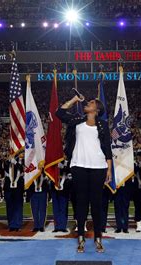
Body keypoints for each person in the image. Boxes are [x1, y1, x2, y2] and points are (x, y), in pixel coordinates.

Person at [56, 94, 112, 253]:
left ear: (97, 109)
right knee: (81, 203)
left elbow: (107, 148)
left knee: (96, 204)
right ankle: (81, 237)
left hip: (98, 167)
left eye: (92, 102)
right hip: (78, 166)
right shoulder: (77, 121)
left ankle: (98, 238)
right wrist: (74, 100)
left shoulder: (103, 125)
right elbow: (59, 113)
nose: (88, 103)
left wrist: (108, 169)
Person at [3, 154, 24, 232]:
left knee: (18, 206)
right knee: (9, 206)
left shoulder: (23, 161)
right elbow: (4, 170)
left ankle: (18, 224)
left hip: (18, 186)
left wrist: (16, 163)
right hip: (8, 186)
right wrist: (9, 162)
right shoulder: (7, 161)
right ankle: (11, 224)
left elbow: (23, 169)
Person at [51, 160, 71, 233]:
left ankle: (63, 226)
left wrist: (63, 167)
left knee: (63, 207)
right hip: (54, 185)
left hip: (64, 186)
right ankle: (57, 226)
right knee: (55, 207)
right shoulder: (53, 159)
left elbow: (70, 170)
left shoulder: (67, 160)